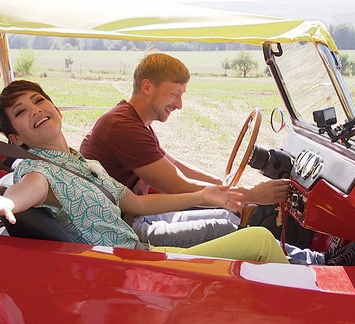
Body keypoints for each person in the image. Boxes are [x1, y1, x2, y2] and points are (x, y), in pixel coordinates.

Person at [0, 80, 355, 266]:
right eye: (22, 112)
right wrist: (6, 200)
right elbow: (31, 189)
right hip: (131, 268)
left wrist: (207, 195)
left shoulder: (80, 163)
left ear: (55, 107)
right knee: (257, 236)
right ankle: (313, 289)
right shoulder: (40, 171)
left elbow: (135, 202)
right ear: (14, 138)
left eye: (39, 100)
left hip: (136, 254)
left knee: (242, 230)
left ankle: (315, 267)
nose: (37, 111)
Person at [80, 53, 290, 247]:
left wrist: (228, 186)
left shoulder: (136, 123)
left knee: (228, 217)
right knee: (229, 227)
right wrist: (250, 194)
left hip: (134, 217)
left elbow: (177, 166)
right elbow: (178, 185)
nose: (179, 105)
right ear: (147, 87)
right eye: (174, 94)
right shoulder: (123, 125)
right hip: (119, 230)